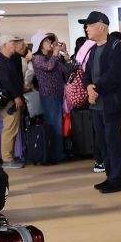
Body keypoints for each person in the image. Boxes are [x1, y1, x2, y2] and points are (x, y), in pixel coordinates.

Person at [82, 12, 121, 192]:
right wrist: (88, 88)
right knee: (102, 142)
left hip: (111, 102)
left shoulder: (116, 46)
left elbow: (115, 74)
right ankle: (110, 175)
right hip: (97, 105)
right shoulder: (93, 49)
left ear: (101, 26)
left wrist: (96, 89)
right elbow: (86, 73)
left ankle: (118, 178)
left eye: (89, 25)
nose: (86, 28)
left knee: (112, 140)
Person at [32, 33, 70, 164]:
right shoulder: (37, 58)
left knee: (59, 123)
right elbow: (48, 67)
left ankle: (59, 152)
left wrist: (65, 55)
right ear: (40, 44)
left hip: (59, 94)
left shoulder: (52, 57)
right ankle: (56, 154)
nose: (50, 43)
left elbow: (66, 70)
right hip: (49, 95)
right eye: (47, 41)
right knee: (55, 124)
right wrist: (55, 54)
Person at [0, 36, 26, 169]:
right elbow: (6, 81)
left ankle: (9, 157)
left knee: (12, 129)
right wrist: (16, 96)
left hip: (12, 99)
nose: (14, 46)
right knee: (9, 129)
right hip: (9, 100)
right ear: (4, 45)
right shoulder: (1, 61)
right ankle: (7, 159)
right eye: (12, 44)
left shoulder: (7, 60)